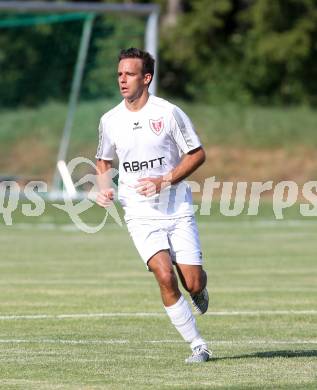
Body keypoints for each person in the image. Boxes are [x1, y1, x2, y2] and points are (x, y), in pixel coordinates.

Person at [96, 47, 211, 363]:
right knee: (163, 275)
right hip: (139, 213)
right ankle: (198, 345)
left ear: (146, 78)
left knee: (192, 281)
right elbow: (103, 161)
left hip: (176, 208)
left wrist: (164, 181)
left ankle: (199, 286)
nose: (122, 80)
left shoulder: (168, 113)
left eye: (129, 74)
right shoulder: (110, 120)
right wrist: (104, 188)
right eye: (119, 74)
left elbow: (197, 154)